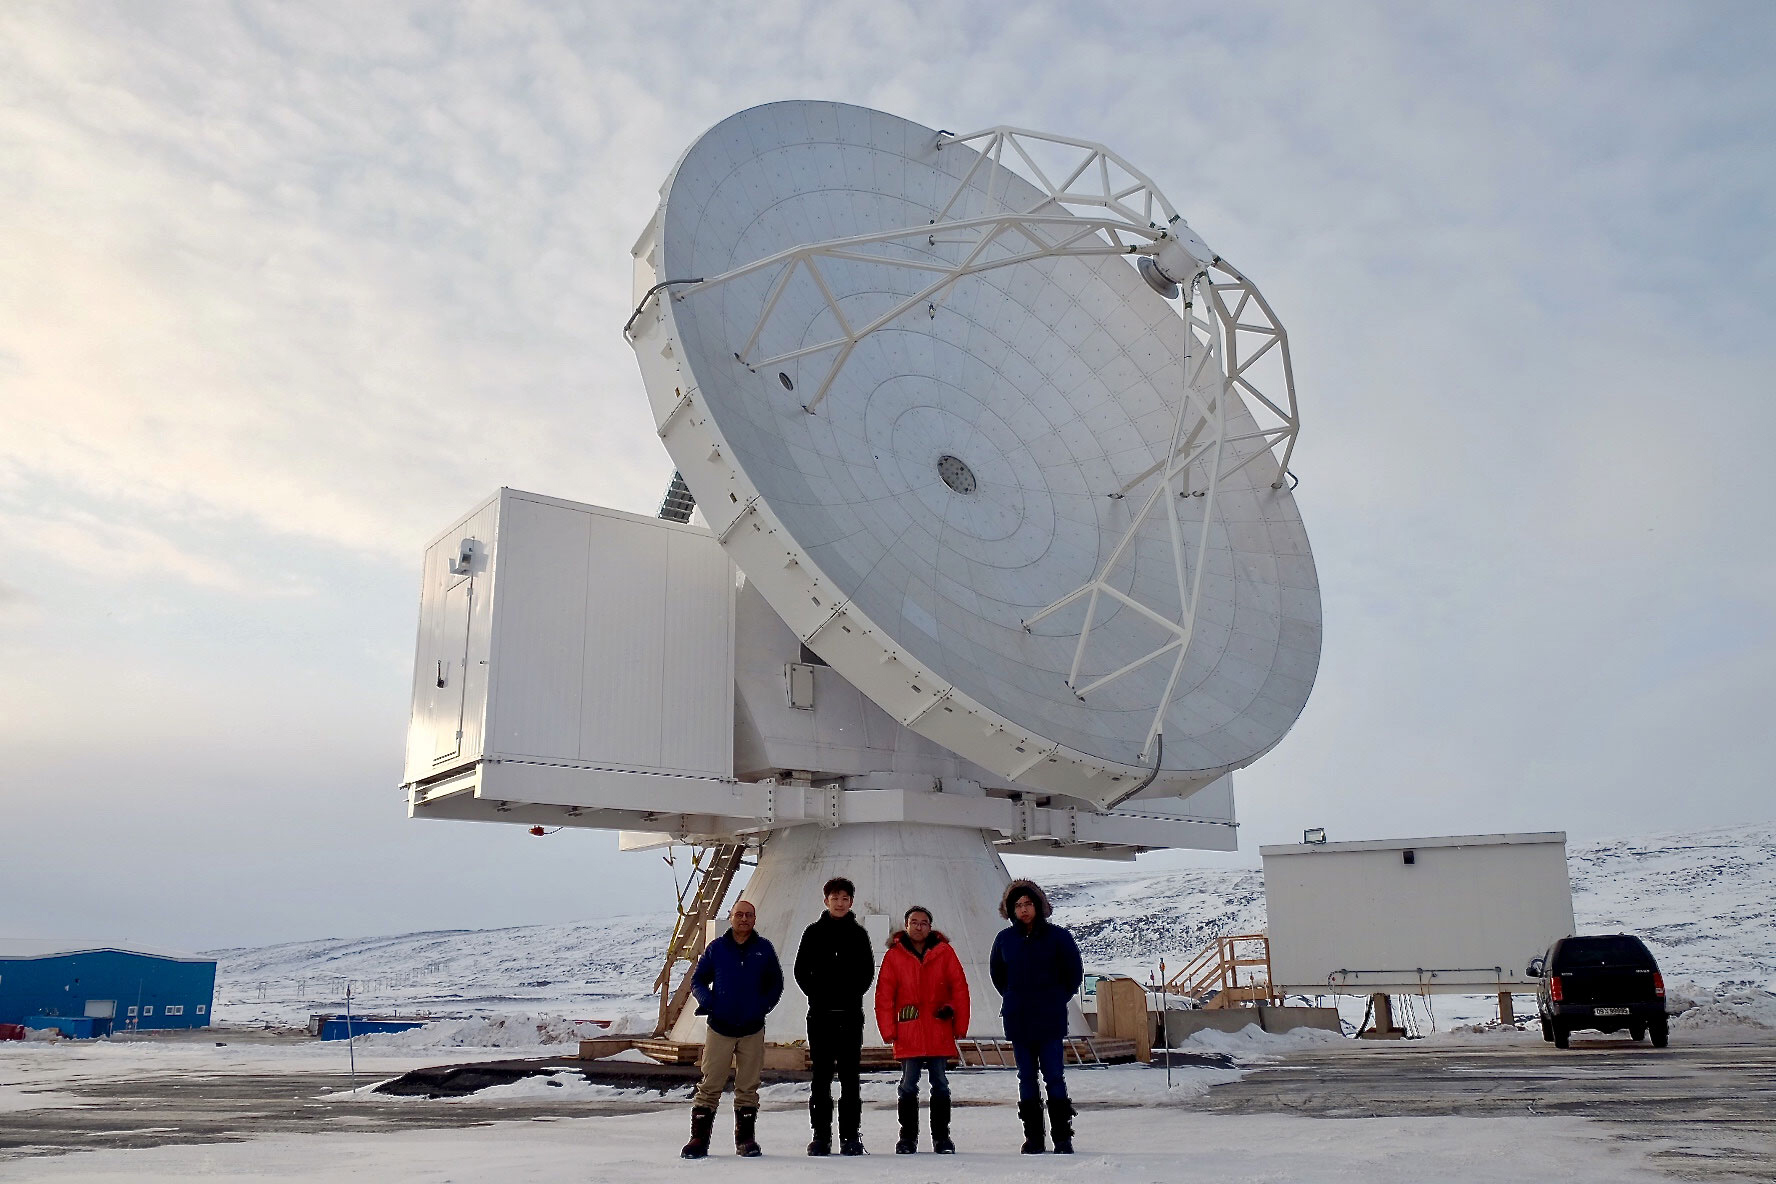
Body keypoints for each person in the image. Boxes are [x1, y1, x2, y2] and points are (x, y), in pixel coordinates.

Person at [681, 899, 784, 1159]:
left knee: (748, 1085)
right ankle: (698, 1139)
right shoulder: (717, 949)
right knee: (711, 1083)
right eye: (739, 914)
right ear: (731, 917)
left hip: (751, 1027)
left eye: (749, 915)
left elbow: (775, 983)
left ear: (755, 919)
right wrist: (708, 1001)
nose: (744, 919)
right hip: (720, 1026)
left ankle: (746, 1140)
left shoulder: (764, 949)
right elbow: (698, 979)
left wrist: (762, 1006)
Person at [989, 879, 1083, 1154]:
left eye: (1028, 903)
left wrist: (1054, 998)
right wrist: (1014, 996)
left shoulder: (1058, 937)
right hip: (1019, 1018)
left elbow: (1073, 974)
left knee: (1054, 1076)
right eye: (1018, 905)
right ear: (1010, 910)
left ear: (1038, 905)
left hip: (1049, 1018)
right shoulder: (1004, 940)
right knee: (1026, 1077)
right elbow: (998, 975)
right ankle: (1033, 1137)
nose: (1023, 909)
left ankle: (1062, 1138)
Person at [874, 905, 970, 1154]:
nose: (919, 926)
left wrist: (956, 1017)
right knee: (908, 1084)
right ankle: (907, 1138)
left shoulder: (945, 953)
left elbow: (958, 987)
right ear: (906, 925)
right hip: (909, 1030)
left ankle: (941, 1138)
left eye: (924, 922)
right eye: (914, 922)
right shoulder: (894, 956)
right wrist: (889, 1030)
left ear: (930, 926)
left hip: (937, 1027)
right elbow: (885, 994)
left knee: (940, 1083)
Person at [793, 875, 875, 1156]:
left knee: (851, 1078)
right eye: (834, 898)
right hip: (820, 1016)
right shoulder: (813, 933)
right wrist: (818, 995)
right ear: (825, 900)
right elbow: (801, 971)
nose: (839, 903)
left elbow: (866, 973)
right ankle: (821, 1136)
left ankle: (851, 1136)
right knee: (821, 1077)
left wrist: (850, 995)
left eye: (845, 898)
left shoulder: (859, 934)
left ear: (851, 901)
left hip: (850, 1015)